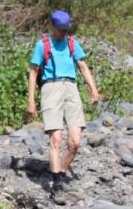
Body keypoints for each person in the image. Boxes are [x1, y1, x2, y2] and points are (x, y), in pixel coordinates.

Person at [26, 10, 100, 190]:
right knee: (56, 140)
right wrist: (31, 101)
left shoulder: (73, 43)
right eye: (60, 29)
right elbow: (33, 72)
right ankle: (57, 181)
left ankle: (60, 170)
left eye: (65, 29)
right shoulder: (42, 45)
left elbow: (82, 66)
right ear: (52, 27)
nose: (63, 33)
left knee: (75, 142)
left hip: (71, 88)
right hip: (50, 88)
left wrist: (93, 89)